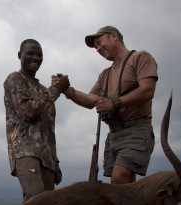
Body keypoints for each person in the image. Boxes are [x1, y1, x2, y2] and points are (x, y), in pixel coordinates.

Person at [52, 26, 158, 184]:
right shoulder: (105, 74)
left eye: (99, 42)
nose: (98, 49)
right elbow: (89, 101)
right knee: (120, 186)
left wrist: (114, 103)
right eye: (95, 47)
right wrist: (67, 90)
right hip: (114, 134)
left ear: (114, 36)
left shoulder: (140, 58)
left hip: (136, 129)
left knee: (120, 177)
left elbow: (147, 90)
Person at [4, 39, 70, 202]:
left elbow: (49, 130)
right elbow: (28, 111)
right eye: (30, 53)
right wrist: (57, 89)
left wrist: (56, 163)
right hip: (26, 152)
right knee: (34, 199)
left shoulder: (43, 90)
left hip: (47, 159)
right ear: (20, 55)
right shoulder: (15, 79)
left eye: (39, 55)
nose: (35, 58)